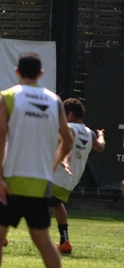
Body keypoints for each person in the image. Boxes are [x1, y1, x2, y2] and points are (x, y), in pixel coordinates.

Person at [0, 52, 74, 268]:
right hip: (40, 181)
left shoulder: (8, 96)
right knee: (43, 241)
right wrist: (53, 163)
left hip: (12, 180)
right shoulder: (55, 101)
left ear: (17, 72)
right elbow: (68, 140)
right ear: (41, 74)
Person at [50, 98, 105, 254]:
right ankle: (64, 241)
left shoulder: (67, 127)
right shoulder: (90, 133)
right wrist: (101, 134)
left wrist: (64, 160)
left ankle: (0, 236)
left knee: (15, 196)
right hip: (69, 182)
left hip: (53, 177)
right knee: (56, 203)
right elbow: (100, 147)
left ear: (70, 114)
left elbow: (66, 146)